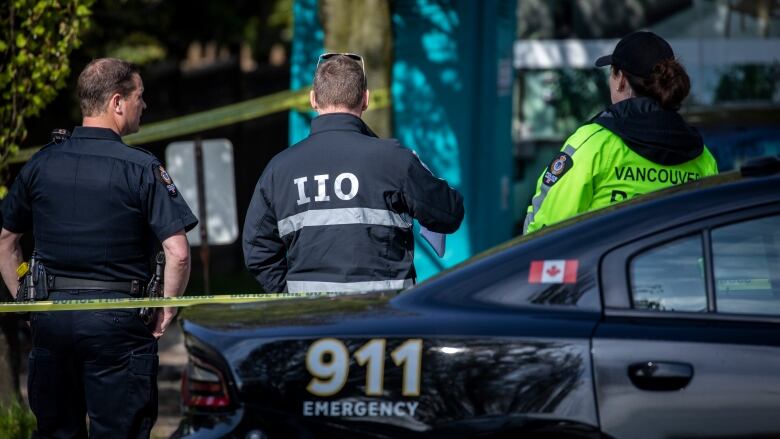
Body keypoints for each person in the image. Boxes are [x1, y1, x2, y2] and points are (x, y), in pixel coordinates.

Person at [0, 58, 198, 438]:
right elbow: (178, 251)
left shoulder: (42, 163)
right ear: (118, 102)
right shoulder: (140, 167)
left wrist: (26, 301)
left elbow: (7, 242)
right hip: (118, 323)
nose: (146, 105)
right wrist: (165, 309)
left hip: (51, 319)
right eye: (141, 96)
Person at [243, 52, 464, 293]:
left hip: (310, 321)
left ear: (313, 99)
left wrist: (288, 295)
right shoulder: (394, 159)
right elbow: (449, 213)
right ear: (366, 99)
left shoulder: (279, 168)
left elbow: (256, 249)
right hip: (382, 319)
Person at [523, 31, 718, 234]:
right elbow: (715, 233)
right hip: (676, 266)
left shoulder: (594, 143)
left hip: (606, 265)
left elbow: (545, 226)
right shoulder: (701, 155)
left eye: (611, 72)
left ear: (621, 80)